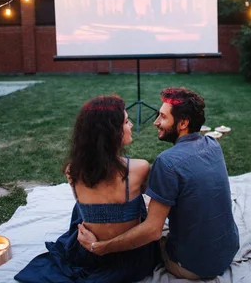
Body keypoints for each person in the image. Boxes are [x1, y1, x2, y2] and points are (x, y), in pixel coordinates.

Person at [78, 87, 240, 280]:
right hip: (227, 252)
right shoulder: (213, 144)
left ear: (183, 123)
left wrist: (100, 247)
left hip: (194, 266)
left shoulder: (167, 162)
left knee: (149, 229)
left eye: (162, 117)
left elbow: (152, 231)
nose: (156, 122)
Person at [15, 95, 160, 283]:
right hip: (130, 257)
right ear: (112, 132)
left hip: (88, 256)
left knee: (81, 210)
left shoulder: (72, 170)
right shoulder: (139, 168)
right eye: (126, 121)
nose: (131, 125)